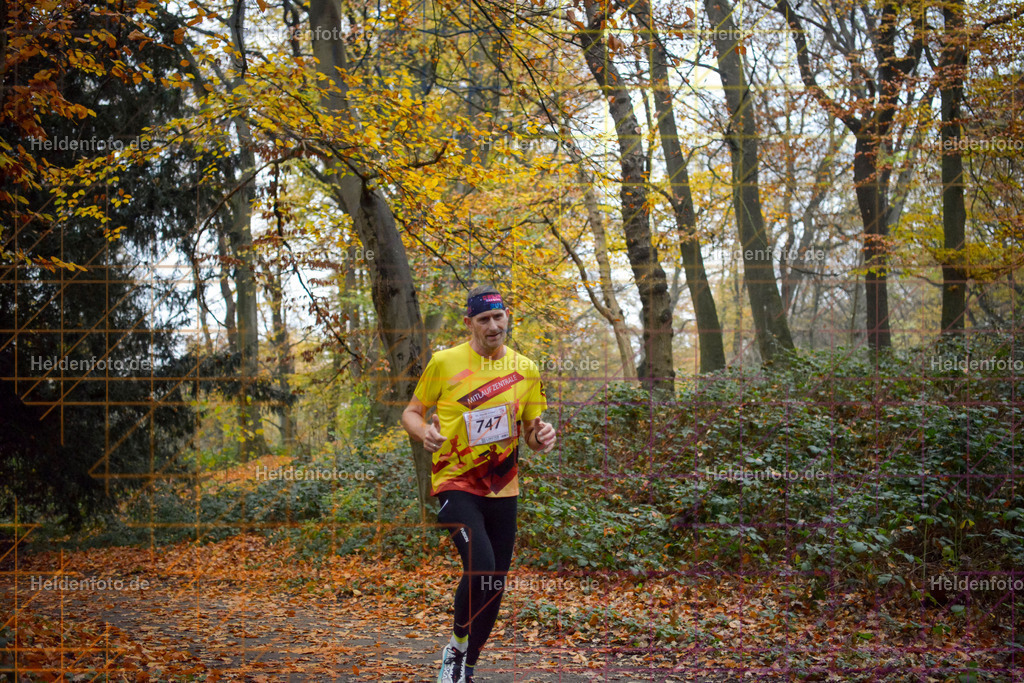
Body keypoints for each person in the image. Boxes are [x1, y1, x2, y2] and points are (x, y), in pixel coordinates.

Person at [401, 285, 556, 683]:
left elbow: (532, 433)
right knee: (480, 566)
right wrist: (424, 434)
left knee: (494, 582)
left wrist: (542, 439)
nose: (493, 325)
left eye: (498, 316)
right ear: (469, 323)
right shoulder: (444, 362)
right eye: (483, 319)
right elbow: (412, 412)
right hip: (455, 482)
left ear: (507, 317)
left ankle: (467, 668)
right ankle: (455, 648)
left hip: (504, 487)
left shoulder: (527, 368)